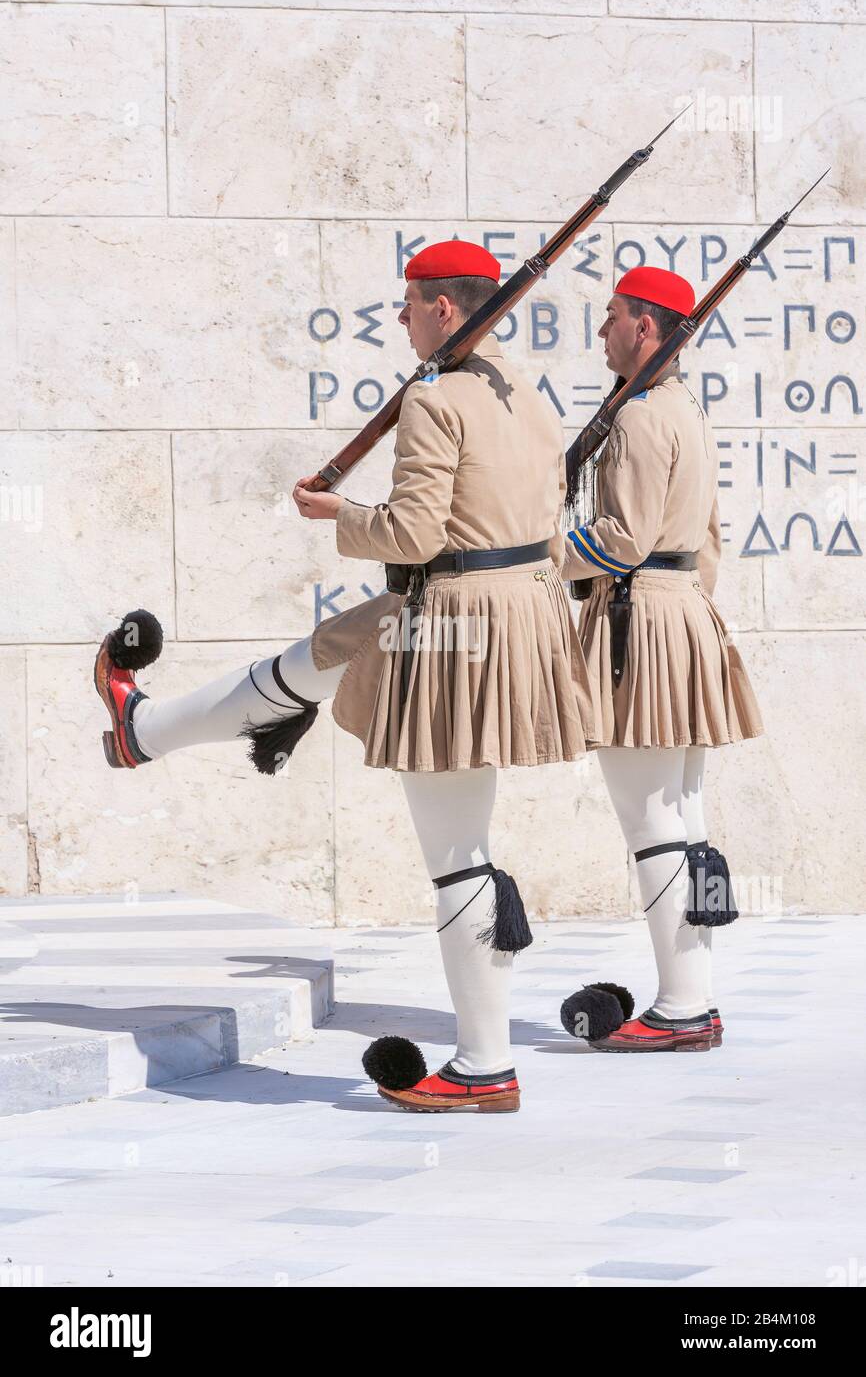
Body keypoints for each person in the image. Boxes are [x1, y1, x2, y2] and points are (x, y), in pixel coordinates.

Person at [94, 238, 600, 1111]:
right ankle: (149, 732)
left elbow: (409, 536)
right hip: (517, 614)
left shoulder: (436, 400)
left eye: (408, 302)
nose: (399, 316)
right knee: (332, 647)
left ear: (446, 308)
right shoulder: (530, 398)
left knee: (458, 855)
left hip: (453, 624)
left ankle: (483, 1067)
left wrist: (338, 513)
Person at [558, 266, 763, 1053]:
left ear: (646, 328)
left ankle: (680, 1009)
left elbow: (621, 539)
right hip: (680, 616)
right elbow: (705, 542)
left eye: (611, 317)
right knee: (686, 821)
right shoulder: (687, 409)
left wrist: (537, 556)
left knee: (651, 823)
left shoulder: (642, 417)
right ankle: (694, 1000)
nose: (601, 331)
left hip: (638, 619)